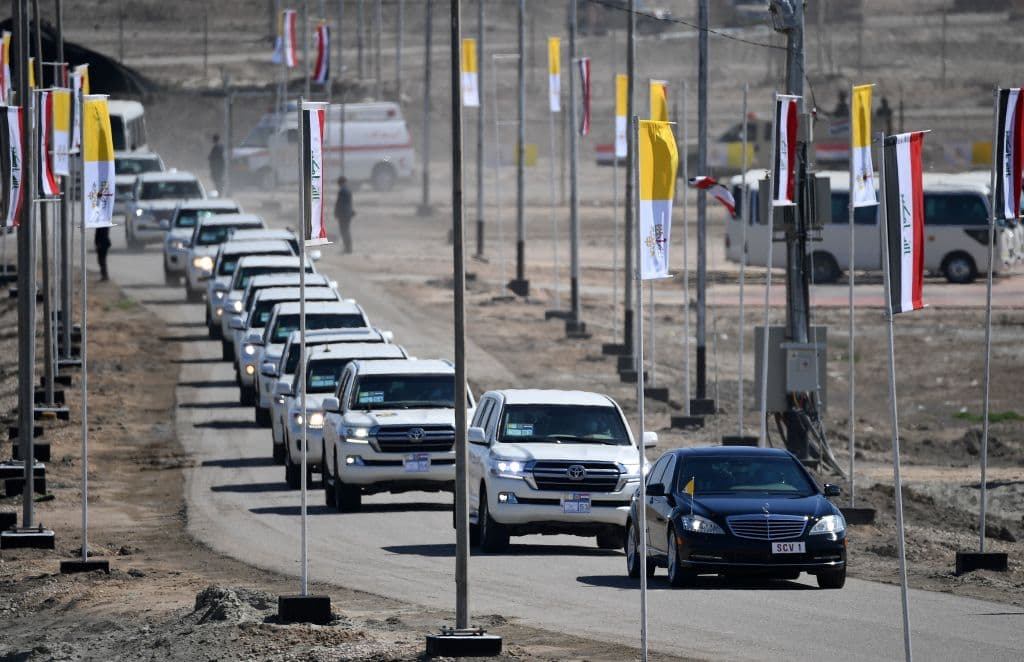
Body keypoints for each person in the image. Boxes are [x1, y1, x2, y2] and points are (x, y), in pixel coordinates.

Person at [334, 176, 354, 254]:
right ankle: (348, 248)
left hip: (343, 215)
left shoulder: (342, 191)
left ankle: (347, 248)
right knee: (346, 231)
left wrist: (336, 213)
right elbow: (349, 204)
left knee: (344, 231)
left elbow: (339, 204)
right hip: (347, 214)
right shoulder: (348, 190)